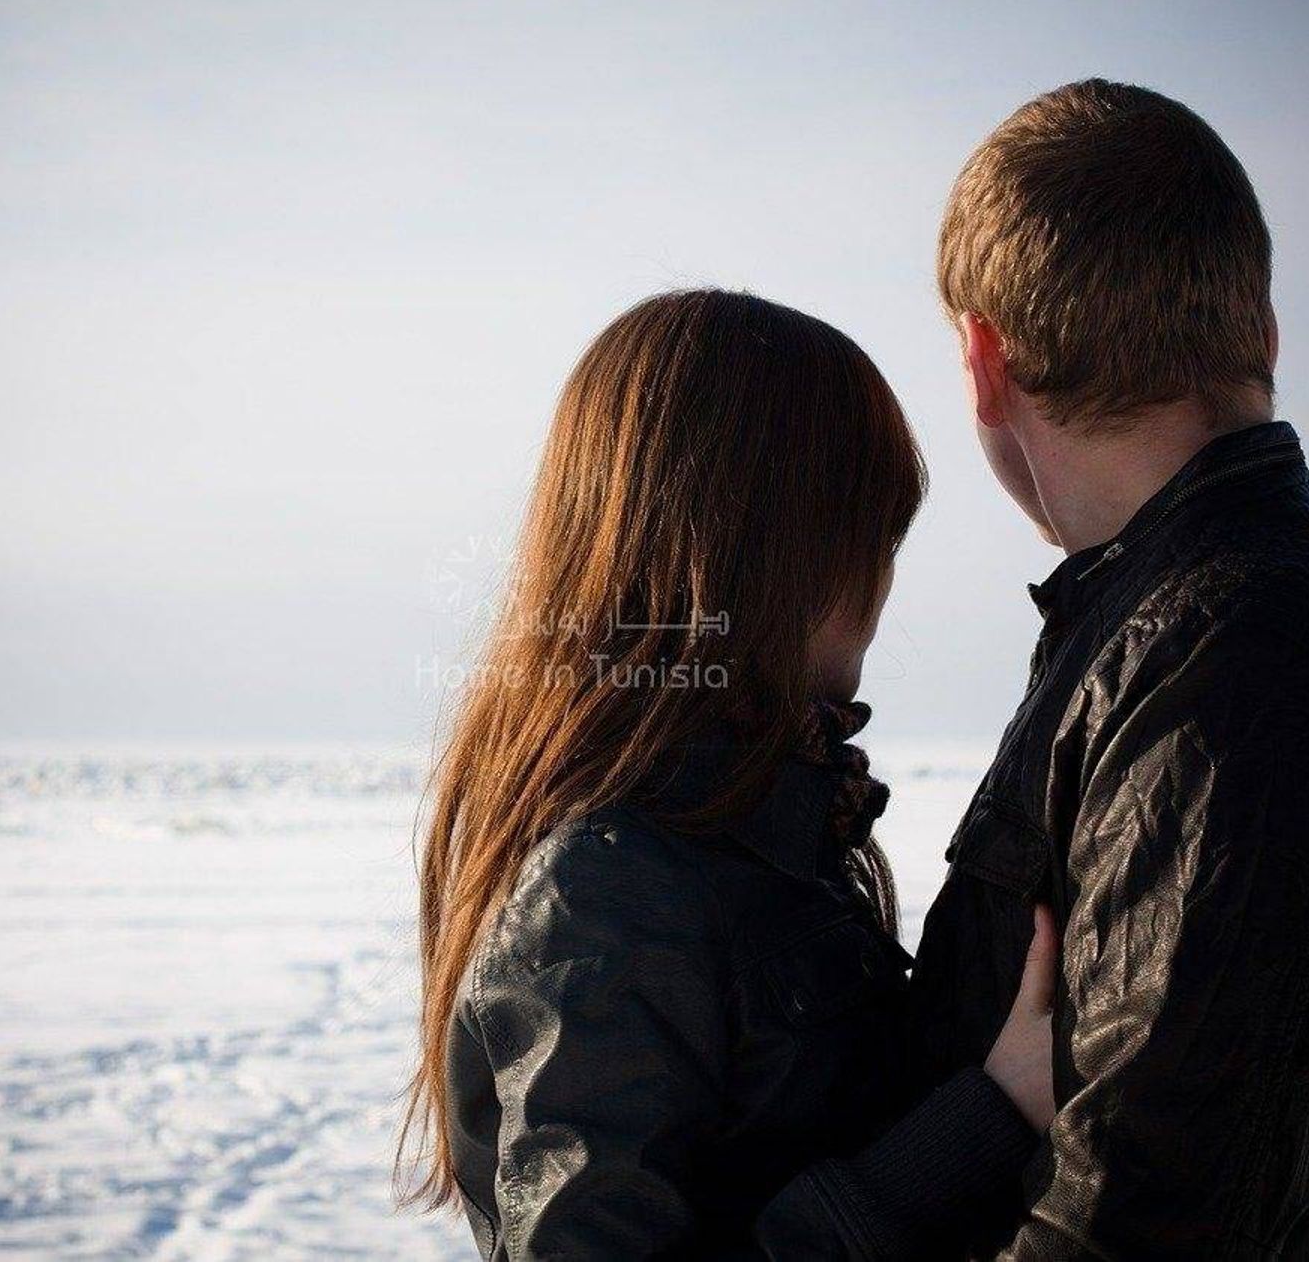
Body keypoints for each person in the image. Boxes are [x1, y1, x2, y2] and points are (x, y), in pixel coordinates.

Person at [905, 78, 1309, 1257]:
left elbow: (1133, 1222)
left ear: (982, 360)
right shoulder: (1226, 612)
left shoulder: (1225, 665)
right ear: (1263, 334)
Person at [402, 289, 1057, 1257]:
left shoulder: (764, 827)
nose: (884, 580)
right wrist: (984, 1120)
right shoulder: (604, 891)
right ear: (761, 549)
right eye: (869, 531)